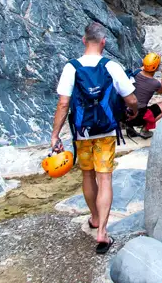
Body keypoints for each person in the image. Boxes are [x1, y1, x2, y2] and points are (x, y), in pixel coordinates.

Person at [50, 22, 138, 254]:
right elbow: (130, 97)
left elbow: (63, 104)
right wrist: (134, 111)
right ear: (103, 42)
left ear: (83, 40)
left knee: (88, 175)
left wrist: (55, 135)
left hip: (82, 131)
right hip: (106, 131)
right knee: (105, 179)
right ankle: (102, 233)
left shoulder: (72, 67)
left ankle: (95, 218)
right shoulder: (111, 66)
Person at [124, 53, 162, 139]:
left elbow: (145, 67)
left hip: (124, 113)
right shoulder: (155, 83)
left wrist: (155, 59)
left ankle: (126, 125)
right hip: (138, 117)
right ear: (157, 68)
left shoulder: (137, 72)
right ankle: (145, 130)